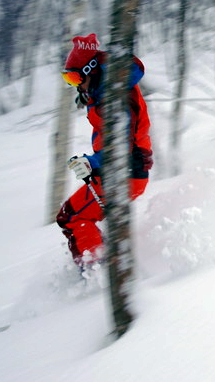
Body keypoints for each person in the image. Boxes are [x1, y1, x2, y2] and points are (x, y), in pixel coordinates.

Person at [56, 33, 153, 269]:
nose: (75, 85)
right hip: (116, 171)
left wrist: (91, 163)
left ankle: (98, 269)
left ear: (92, 70)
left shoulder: (116, 100)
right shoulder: (100, 89)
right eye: (68, 80)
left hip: (126, 172)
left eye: (75, 77)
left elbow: (122, 148)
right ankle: (102, 263)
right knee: (72, 216)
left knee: (72, 217)